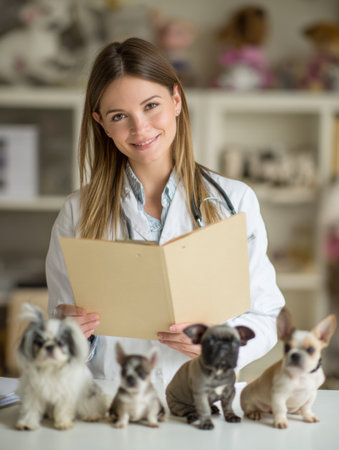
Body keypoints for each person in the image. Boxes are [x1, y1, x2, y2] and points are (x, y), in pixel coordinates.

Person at [46, 37, 285, 387]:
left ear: (176, 100)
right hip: (113, 402)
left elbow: (266, 316)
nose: (139, 128)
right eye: (119, 116)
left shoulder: (235, 201)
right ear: (101, 123)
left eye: (150, 106)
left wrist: (216, 343)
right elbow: (60, 326)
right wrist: (71, 335)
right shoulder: (77, 213)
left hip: (202, 401)